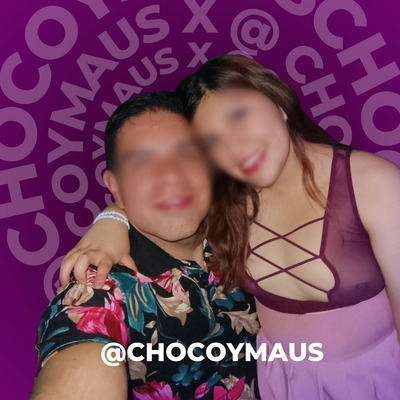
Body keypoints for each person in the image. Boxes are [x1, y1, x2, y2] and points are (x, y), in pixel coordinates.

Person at [60, 55, 400, 400]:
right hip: (279, 385)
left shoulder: (373, 184)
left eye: (239, 115)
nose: (236, 146)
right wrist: (112, 219)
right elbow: (162, 204)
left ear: (278, 103)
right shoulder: (230, 205)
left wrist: (111, 219)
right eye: (212, 141)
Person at [31, 91, 260, 400]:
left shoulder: (251, 235)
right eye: (142, 163)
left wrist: (112, 216)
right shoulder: (100, 291)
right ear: (115, 188)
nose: (170, 177)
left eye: (186, 154)